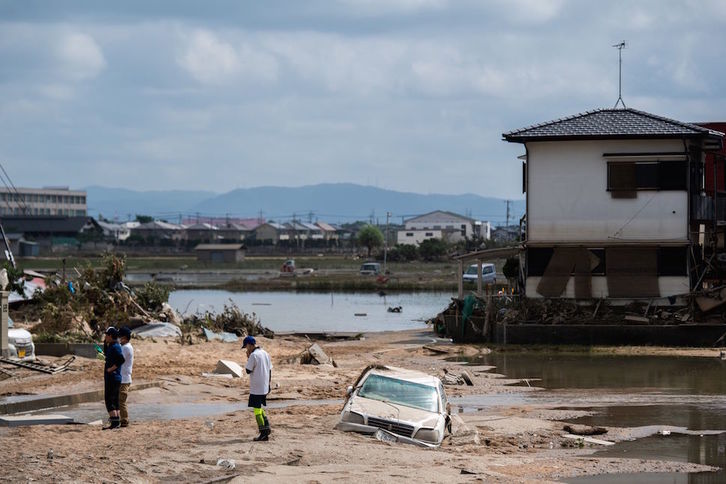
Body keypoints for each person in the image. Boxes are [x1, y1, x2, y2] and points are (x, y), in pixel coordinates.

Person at [243, 335, 272, 441]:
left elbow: (248, 370)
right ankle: (267, 427)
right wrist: (268, 384)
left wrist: (248, 357)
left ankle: (263, 432)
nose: (246, 349)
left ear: (249, 345)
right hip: (264, 385)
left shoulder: (253, 355)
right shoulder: (265, 353)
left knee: (256, 410)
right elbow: (270, 370)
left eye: (246, 347)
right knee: (259, 408)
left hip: (256, 387)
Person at [102, 327, 125, 430]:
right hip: (113, 378)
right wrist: (104, 343)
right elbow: (107, 354)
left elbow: (121, 360)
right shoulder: (112, 345)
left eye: (106, 335)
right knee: (114, 400)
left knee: (109, 400)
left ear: (111, 336)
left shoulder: (116, 347)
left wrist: (111, 369)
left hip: (113, 377)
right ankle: (116, 421)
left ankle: (114, 422)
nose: (105, 336)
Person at [118, 326, 134, 428]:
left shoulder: (126, 347)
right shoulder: (125, 347)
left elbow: (118, 360)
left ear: (124, 337)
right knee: (119, 400)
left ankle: (124, 421)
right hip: (123, 378)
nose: (118, 338)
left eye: (120, 337)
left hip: (124, 379)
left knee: (121, 401)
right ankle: (121, 419)